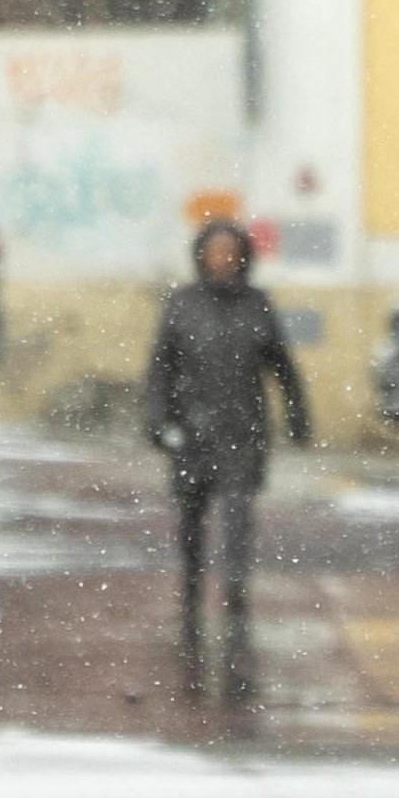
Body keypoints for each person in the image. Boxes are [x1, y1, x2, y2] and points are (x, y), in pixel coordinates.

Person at [143, 218, 310, 680]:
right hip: (192, 430)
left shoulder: (257, 305)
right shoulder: (182, 305)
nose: (222, 258)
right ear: (201, 256)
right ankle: (193, 583)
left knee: (238, 511)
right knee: (191, 514)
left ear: (243, 256)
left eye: (230, 251)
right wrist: (157, 419)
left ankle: (235, 588)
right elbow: (159, 368)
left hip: (243, 430)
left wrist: (298, 414)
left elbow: (282, 366)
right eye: (214, 251)